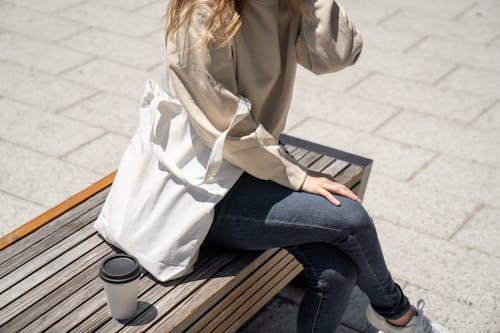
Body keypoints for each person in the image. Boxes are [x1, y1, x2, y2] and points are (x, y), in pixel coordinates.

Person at [163, 0, 449, 332]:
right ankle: (399, 316)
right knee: (350, 218)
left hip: (254, 165)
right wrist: (297, 176)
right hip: (203, 188)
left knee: (337, 273)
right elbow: (224, 127)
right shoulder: (203, 12)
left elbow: (339, 55)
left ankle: (395, 316)